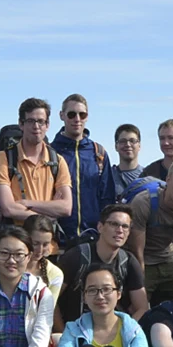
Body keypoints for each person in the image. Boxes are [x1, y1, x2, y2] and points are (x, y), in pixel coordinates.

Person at [0, 98, 74, 228]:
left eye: (41, 121)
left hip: (48, 239)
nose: (36, 126)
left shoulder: (57, 161)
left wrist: (26, 203)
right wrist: (48, 215)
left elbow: (66, 208)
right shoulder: (5, 158)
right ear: (21, 124)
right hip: (17, 238)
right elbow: (8, 209)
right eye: (30, 121)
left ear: (47, 125)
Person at [54, 205, 147, 320]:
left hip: (115, 327)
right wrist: (63, 330)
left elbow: (142, 308)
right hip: (76, 327)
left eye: (125, 226)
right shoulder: (76, 256)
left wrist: (127, 328)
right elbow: (50, 300)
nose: (120, 230)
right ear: (100, 227)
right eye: (114, 224)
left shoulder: (129, 261)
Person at [128, 157, 173, 302]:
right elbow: (137, 250)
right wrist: (139, 281)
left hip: (166, 257)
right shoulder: (144, 203)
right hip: (143, 259)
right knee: (140, 306)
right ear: (168, 180)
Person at [50, 94, 118, 245]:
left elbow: (107, 198)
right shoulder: (50, 152)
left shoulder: (98, 152)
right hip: (57, 238)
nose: (77, 119)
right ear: (61, 115)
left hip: (93, 238)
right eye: (71, 114)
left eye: (82, 114)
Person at [111, 124, 145, 193]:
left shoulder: (147, 176)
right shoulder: (108, 177)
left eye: (132, 141)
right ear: (116, 146)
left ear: (139, 145)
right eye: (123, 141)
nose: (128, 145)